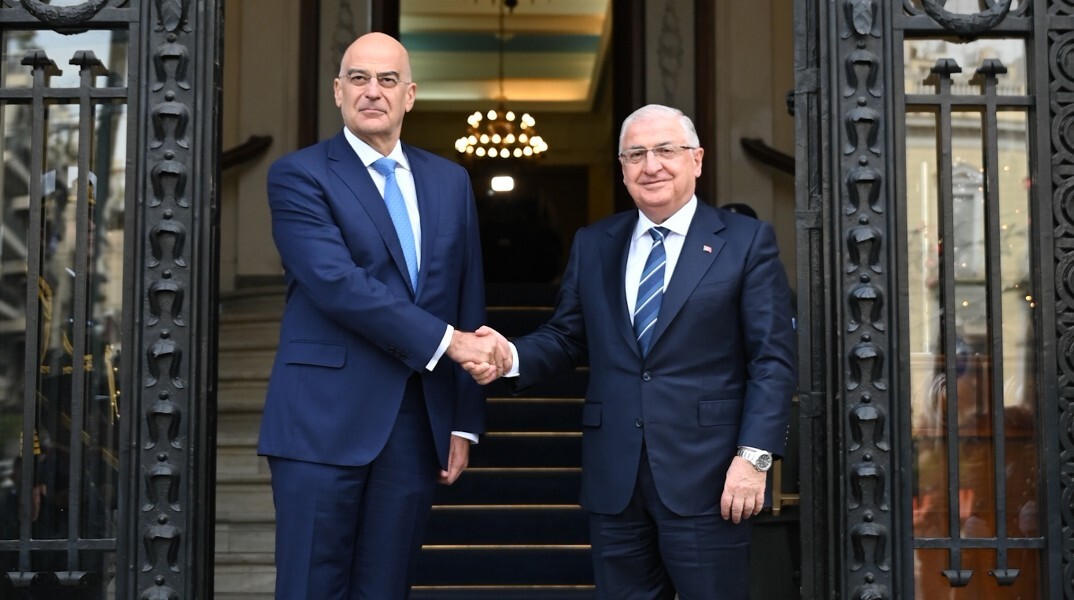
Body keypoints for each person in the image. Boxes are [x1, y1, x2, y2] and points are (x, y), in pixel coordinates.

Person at [469, 104, 797, 599]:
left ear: (697, 159)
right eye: (636, 154)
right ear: (622, 169)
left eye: (666, 150)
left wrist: (754, 458)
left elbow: (771, 360)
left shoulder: (745, 242)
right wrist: (509, 356)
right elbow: (567, 337)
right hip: (616, 479)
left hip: (711, 477)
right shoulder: (594, 242)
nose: (651, 166)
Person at [257, 32, 507, 599]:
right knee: (310, 588)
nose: (373, 91)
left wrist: (462, 421)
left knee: (386, 589)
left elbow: (467, 295)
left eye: (388, 80)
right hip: (320, 422)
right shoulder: (300, 175)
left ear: (409, 95)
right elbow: (338, 285)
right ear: (338, 91)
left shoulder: (449, 181)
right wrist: (451, 342)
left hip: (415, 425)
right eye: (360, 79)